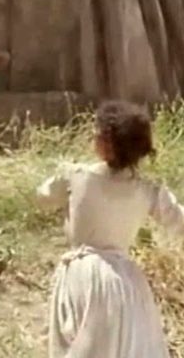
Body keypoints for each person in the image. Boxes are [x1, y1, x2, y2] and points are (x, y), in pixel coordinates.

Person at [36, 100, 184, 358]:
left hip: (83, 277)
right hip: (125, 284)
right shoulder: (149, 190)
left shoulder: (76, 176)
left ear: (107, 142)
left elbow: (42, 197)